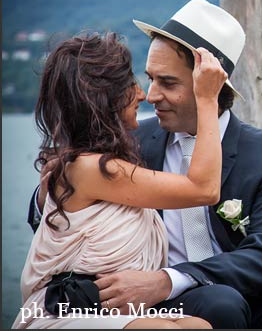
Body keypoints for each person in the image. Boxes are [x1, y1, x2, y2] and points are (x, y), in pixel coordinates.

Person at [29, 0, 262, 328]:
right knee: (219, 303)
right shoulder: (129, 142)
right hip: (160, 308)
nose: (151, 95)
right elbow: (61, 207)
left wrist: (170, 278)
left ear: (210, 86)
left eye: (168, 83)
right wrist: (48, 188)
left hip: (231, 296)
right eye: (151, 78)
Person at [16, 31, 227, 329]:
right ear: (106, 98)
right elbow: (204, 189)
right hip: (65, 310)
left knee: (199, 326)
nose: (143, 94)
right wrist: (207, 98)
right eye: (132, 83)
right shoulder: (89, 169)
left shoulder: (93, 162)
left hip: (111, 310)